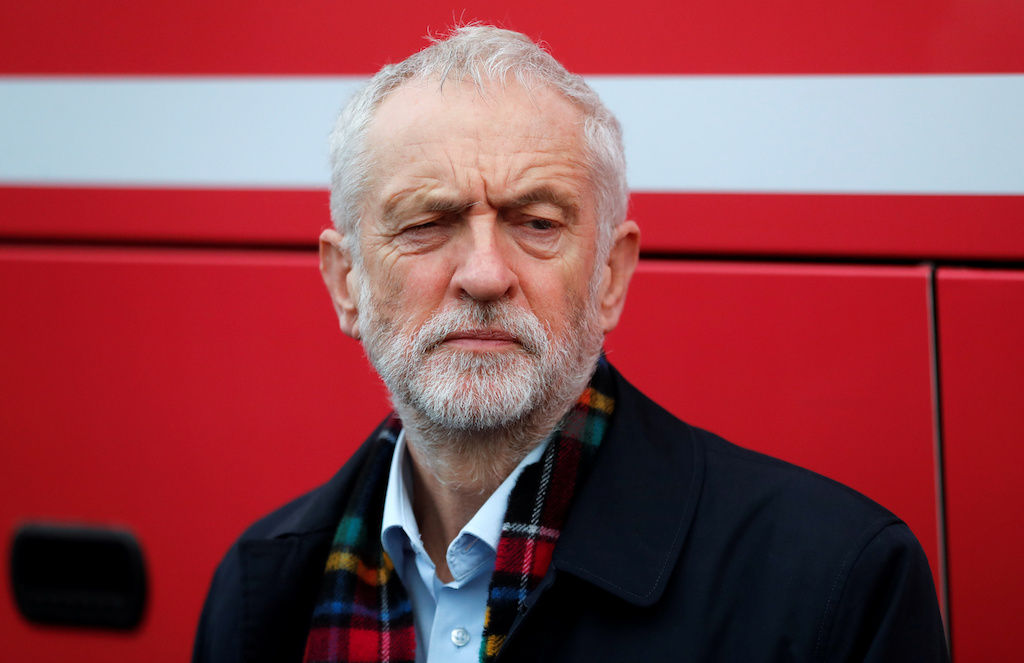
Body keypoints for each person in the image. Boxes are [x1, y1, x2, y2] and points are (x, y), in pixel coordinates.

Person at [192, 26, 949, 663]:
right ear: (346, 281)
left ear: (611, 275)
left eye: (539, 222)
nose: (485, 274)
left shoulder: (841, 587)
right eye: (426, 223)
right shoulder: (258, 593)